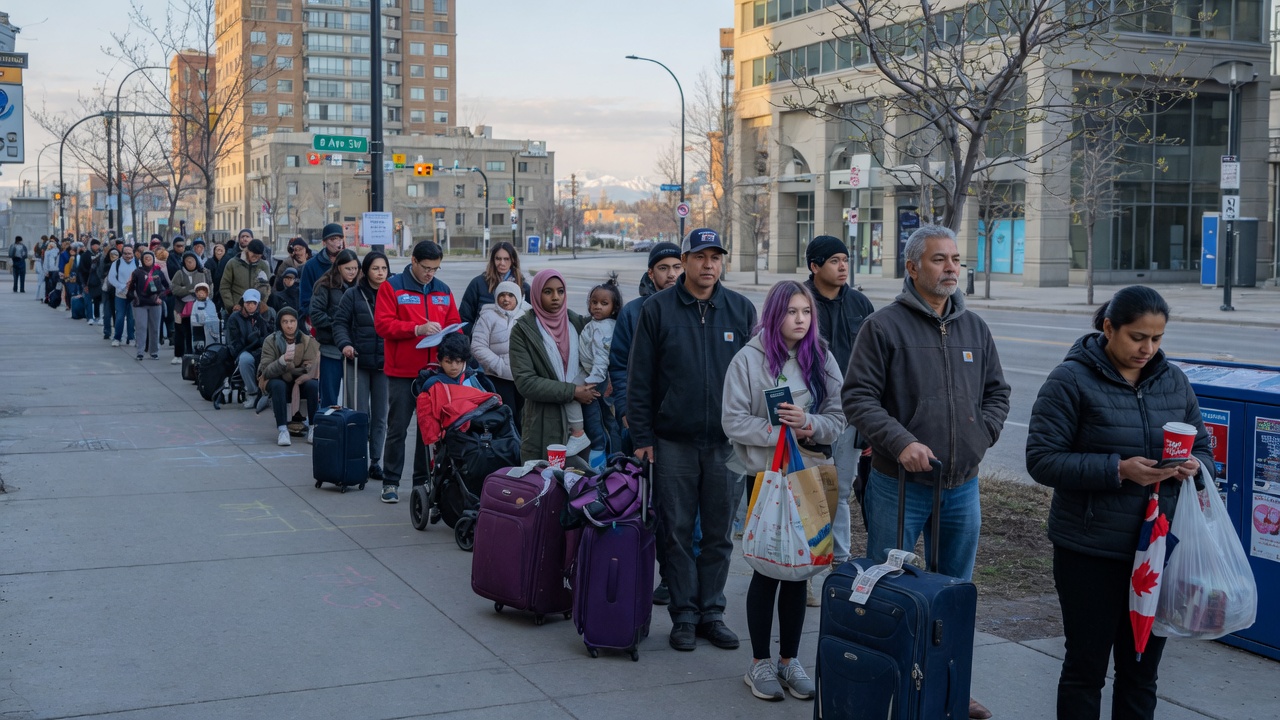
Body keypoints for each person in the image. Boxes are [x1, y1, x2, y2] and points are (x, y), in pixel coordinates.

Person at [841, 224, 1008, 720]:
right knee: (885, 590)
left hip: (961, 488)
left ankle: (949, 688)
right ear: (912, 267)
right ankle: (883, 687)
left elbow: (997, 394)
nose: (952, 268)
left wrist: (981, 436)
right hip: (900, 486)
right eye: (939, 259)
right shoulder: (884, 327)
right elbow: (858, 398)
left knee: (953, 594)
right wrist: (902, 442)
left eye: (956, 259)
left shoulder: (975, 328)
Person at [1026, 286, 1212, 720]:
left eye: (1157, 338)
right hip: (1090, 550)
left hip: (1156, 549)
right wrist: (1118, 469)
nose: (1147, 349)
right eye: (1137, 337)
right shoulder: (1070, 380)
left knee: (1142, 672)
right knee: (1085, 670)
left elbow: (1204, 448)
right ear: (1108, 327)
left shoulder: (1173, 380)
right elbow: (1042, 460)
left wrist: (1195, 467)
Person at [628, 228, 757, 652]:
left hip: (726, 444)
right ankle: (683, 615)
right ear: (684, 261)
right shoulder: (658, 309)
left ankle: (712, 613)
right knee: (677, 532)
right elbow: (640, 377)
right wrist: (643, 435)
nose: (708, 265)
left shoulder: (740, 309)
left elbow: (759, 376)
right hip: (672, 443)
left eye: (715, 257)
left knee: (719, 534)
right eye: (700, 257)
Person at [722, 280, 845, 702]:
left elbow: (839, 416)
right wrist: (778, 429)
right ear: (775, 315)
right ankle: (759, 663)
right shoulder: (749, 359)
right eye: (792, 312)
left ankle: (789, 660)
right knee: (767, 568)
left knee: (800, 569)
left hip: (809, 476)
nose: (800, 319)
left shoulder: (821, 357)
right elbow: (733, 420)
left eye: (806, 312)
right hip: (764, 478)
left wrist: (809, 424)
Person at [609, 240, 683, 604]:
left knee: (687, 515)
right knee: (654, 506)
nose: (672, 275)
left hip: (688, 430)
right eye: (664, 268)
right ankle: (661, 576)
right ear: (651, 273)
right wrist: (627, 411)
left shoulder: (695, 307)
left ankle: (684, 579)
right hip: (646, 427)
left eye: (677, 267)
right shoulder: (635, 312)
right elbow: (620, 365)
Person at [803, 235, 875, 566]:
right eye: (834, 260)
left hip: (850, 416)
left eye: (845, 259)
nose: (843, 266)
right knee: (808, 492)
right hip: (809, 416)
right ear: (814, 266)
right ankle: (808, 566)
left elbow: (877, 362)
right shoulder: (799, 302)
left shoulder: (860, 304)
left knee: (841, 493)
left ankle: (840, 566)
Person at [373, 240, 461, 504]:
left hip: (433, 372)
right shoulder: (393, 287)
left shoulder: (443, 290)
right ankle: (390, 482)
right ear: (413, 261)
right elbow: (383, 325)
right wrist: (416, 329)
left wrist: (452, 338)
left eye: (435, 268)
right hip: (402, 372)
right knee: (398, 428)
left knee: (428, 431)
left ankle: (421, 482)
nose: (430, 273)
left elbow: (454, 323)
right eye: (426, 267)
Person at [508, 269, 593, 463]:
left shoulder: (577, 323)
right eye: (548, 292)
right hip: (543, 424)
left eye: (560, 291)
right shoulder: (523, 330)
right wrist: (572, 391)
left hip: (584, 420)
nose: (556, 297)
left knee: (583, 486)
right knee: (546, 486)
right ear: (537, 294)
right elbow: (526, 382)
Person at [333, 251, 390, 482]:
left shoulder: (393, 294)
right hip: (357, 362)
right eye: (376, 268)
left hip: (385, 364)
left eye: (384, 268)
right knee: (359, 413)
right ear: (365, 271)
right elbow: (340, 324)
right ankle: (357, 459)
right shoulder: (352, 295)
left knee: (380, 415)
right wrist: (345, 344)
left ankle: (375, 461)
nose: (380, 273)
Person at [470, 280, 531, 429]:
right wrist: (500, 366)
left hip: (524, 378)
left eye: (510, 295)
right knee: (506, 418)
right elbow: (477, 346)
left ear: (517, 297)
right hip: (498, 378)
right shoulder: (487, 317)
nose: (506, 299)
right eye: (502, 295)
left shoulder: (528, 317)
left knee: (525, 419)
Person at [258, 306, 320, 446]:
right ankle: (283, 430)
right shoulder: (271, 340)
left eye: (292, 321)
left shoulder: (306, 340)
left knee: (313, 385)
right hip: (278, 379)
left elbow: (310, 365)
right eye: (285, 321)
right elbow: (266, 370)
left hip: (300, 380)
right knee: (278, 385)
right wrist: (282, 361)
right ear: (280, 323)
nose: (289, 325)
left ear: (297, 322)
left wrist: (305, 368)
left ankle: (313, 427)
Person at [574, 276, 622, 456]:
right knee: (608, 418)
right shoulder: (599, 324)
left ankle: (600, 453)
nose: (597, 307)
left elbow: (602, 358)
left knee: (596, 419)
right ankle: (615, 455)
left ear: (614, 307)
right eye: (594, 302)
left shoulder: (603, 328)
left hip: (598, 380)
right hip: (598, 377)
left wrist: (591, 383)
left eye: (604, 303)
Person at [309, 248, 359, 408]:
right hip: (331, 349)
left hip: (356, 350)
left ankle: (355, 430)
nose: (352, 272)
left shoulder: (362, 286)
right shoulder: (325, 285)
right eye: (348, 268)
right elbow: (315, 315)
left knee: (356, 399)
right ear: (338, 267)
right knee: (329, 397)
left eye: (355, 268)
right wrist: (339, 326)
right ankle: (328, 429)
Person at [458, 241, 529, 329]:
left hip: (515, 340)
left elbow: (531, 319)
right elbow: (464, 318)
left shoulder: (523, 287)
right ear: (493, 260)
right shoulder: (478, 284)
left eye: (506, 259)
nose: (502, 263)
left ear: (513, 260)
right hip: (483, 339)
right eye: (498, 259)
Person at [226, 289, 276, 409]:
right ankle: (252, 393)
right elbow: (233, 342)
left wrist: (261, 341)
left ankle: (267, 392)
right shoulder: (235, 318)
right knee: (245, 360)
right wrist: (249, 342)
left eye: (254, 303)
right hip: (244, 351)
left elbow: (270, 335)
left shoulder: (264, 316)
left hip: (262, 350)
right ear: (244, 302)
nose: (251, 306)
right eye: (248, 303)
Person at [128, 250, 170, 361]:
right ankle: (140, 352)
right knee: (141, 327)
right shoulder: (137, 272)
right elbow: (130, 290)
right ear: (142, 260)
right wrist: (135, 298)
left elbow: (167, 288)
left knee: (155, 328)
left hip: (155, 304)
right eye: (145, 258)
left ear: (153, 259)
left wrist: (159, 297)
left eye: (149, 258)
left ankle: (154, 352)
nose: (147, 260)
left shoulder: (158, 272)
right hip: (140, 304)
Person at [170, 251, 212, 363]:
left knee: (195, 332)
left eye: (192, 261)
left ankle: (193, 354)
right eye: (187, 261)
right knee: (180, 331)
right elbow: (174, 289)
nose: (190, 263)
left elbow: (208, 288)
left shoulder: (202, 273)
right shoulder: (179, 273)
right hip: (181, 308)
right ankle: (178, 355)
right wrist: (189, 289)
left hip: (197, 307)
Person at [300, 223, 345, 316]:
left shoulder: (350, 262)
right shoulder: (311, 265)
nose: (338, 243)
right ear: (324, 242)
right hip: (322, 320)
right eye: (333, 239)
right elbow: (305, 300)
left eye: (340, 239)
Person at [219, 238, 273, 313]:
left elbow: (266, 289)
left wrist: (261, 305)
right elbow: (224, 287)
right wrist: (231, 306)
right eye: (253, 255)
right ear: (247, 250)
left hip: (256, 309)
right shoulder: (233, 263)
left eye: (258, 256)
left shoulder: (263, 266)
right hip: (237, 308)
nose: (255, 258)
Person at [107, 245, 138, 346]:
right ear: (122, 254)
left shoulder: (138, 262)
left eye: (130, 253)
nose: (128, 256)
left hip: (133, 295)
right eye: (125, 253)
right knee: (120, 316)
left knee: (131, 317)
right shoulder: (117, 263)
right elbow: (111, 278)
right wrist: (121, 286)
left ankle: (131, 337)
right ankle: (117, 337)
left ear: (133, 253)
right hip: (120, 294)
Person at [97, 248, 120, 338]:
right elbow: (100, 273)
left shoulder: (120, 264)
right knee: (107, 312)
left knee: (116, 313)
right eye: (112, 255)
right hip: (107, 290)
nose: (114, 257)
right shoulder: (105, 263)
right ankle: (107, 331)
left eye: (116, 255)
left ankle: (114, 332)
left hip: (117, 290)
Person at [82, 239, 103, 325]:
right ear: (92, 245)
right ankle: (90, 317)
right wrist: (84, 283)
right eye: (96, 245)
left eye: (98, 245)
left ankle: (98, 316)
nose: (97, 247)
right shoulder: (85, 255)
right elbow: (81, 270)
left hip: (98, 281)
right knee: (88, 300)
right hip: (88, 281)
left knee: (98, 300)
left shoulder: (101, 255)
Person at [208, 243, 228, 314]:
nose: (219, 252)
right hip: (212, 291)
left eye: (221, 250)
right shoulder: (209, 262)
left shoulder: (228, 261)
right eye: (217, 250)